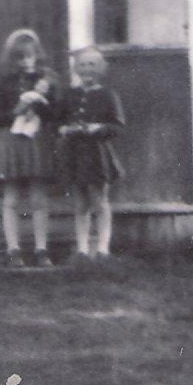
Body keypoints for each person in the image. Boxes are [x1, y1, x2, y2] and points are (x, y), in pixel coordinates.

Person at [0, 28, 59, 268]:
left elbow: (56, 115)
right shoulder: (4, 83)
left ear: (37, 54)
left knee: (38, 196)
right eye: (19, 56)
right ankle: (13, 248)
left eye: (29, 55)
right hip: (12, 141)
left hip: (37, 140)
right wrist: (17, 108)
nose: (25, 60)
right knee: (11, 197)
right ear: (12, 58)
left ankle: (41, 249)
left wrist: (41, 101)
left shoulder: (47, 80)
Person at [57, 45, 125, 259]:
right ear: (76, 68)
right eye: (83, 65)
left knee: (99, 200)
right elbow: (57, 122)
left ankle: (103, 247)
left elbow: (118, 126)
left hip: (97, 153)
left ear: (101, 69)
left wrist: (100, 128)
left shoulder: (107, 95)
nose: (87, 69)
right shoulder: (69, 94)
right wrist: (64, 128)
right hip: (74, 152)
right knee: (80, 202)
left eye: (92, 65)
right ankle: (82, 248)